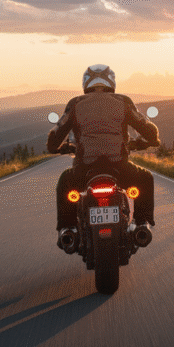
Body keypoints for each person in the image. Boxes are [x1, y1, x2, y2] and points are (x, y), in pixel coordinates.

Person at [47, 64, 160, 243]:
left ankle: (68, 231)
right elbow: (147, 128)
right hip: (118, 166)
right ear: (111, 81)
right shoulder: (123, 102)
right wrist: (152, 140)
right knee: (146, 178)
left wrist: (54, 148)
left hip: (84, 169)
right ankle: (141, 225)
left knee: (64, 183)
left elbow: (56, 134)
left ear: (85, 82)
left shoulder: (75, 104)